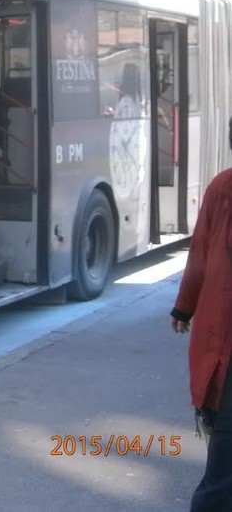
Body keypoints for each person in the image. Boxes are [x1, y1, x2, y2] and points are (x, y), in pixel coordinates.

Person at [171, 115, 232, 512]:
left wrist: (186, 305)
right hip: (226, 340)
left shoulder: (223, 186)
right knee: (225, 458)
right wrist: (185, 304)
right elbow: (202, 253)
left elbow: (201, 254)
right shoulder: (223, 188)